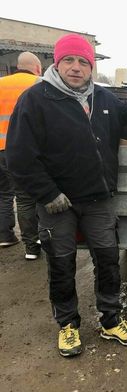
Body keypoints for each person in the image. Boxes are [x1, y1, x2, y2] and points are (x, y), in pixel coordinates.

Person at [6, 33, 127, 357]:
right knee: (61, 263)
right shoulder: (36, 99)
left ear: (91, 66)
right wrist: (47, 193)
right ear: (57, 63)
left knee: (108, 260)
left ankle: (110, 321)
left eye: (83, 62)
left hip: (99, 198)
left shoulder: (103, 98)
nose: (76, 68)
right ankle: (68, 325)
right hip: (58, 203)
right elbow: (19, 155)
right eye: (69, 60)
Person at [0, 52, 42, 259]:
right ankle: (31, 246)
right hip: (22, 150)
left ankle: (5, 236)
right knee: (26, 198)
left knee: (3, 194)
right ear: (37, 67)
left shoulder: (0, 83)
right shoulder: (39, 84)